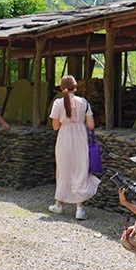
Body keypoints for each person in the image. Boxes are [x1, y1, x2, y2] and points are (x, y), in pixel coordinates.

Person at [48, 75, 98, 220]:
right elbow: (91, 125)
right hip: (80, 139)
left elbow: (55, 126)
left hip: (64, 138)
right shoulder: (84, 102)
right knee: (80, 169)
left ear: (61, 87)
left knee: (63, 169)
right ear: (75, 87)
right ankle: (80, 209)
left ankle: (59, 204)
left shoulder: (58, 103)